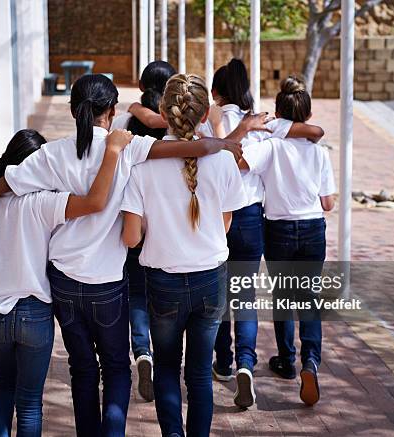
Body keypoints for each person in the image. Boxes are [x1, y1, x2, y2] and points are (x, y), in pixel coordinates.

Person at [0, 74, 242, 437]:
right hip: (110, 283)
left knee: (82, 368)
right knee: (117, 368)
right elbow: (179, 149)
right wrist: (221, 144)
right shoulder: (129, 149)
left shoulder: (50, 155)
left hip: (64, 280)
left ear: (73, 110)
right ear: (113, 110)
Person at [0, 127, 134, 437]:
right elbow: (94, 203)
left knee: (1, 387)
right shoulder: (43, 203)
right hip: (35, 312)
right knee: (29, 401)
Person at [121, 73, 247, 437]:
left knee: (165, 369)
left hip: (163, 283)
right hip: (211, 280)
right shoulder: (223, 161)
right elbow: (223, 227)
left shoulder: (141, 166)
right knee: (198, 374)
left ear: (162, 109)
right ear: (206, 112)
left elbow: (131, 238)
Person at [206, 58, 325, 409]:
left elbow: (224, 157)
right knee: (244, 295)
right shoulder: (261, 124)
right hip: (251, 219)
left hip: (218, 216)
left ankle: (224, 363)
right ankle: (248, 361)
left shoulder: (210, 119)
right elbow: (313, 132)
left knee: (217, 295)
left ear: (216, 92)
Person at [239, 76, 336, 406]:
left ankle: (286, 361)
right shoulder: (319, 152)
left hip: (277, 229)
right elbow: (328, 203)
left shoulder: (270, 147)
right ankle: (311, 360)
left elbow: (242, 162)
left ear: (279, 115)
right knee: (308, 297)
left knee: (283, 296)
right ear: (307, 116)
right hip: (312, 228)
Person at [111, 60, 177, 402]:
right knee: (164, 294)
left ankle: (142, 352)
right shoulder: (176, 127)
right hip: (168, 222)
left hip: (133, 216)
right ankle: (165, 357)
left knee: (136, 292)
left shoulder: (124, 122)